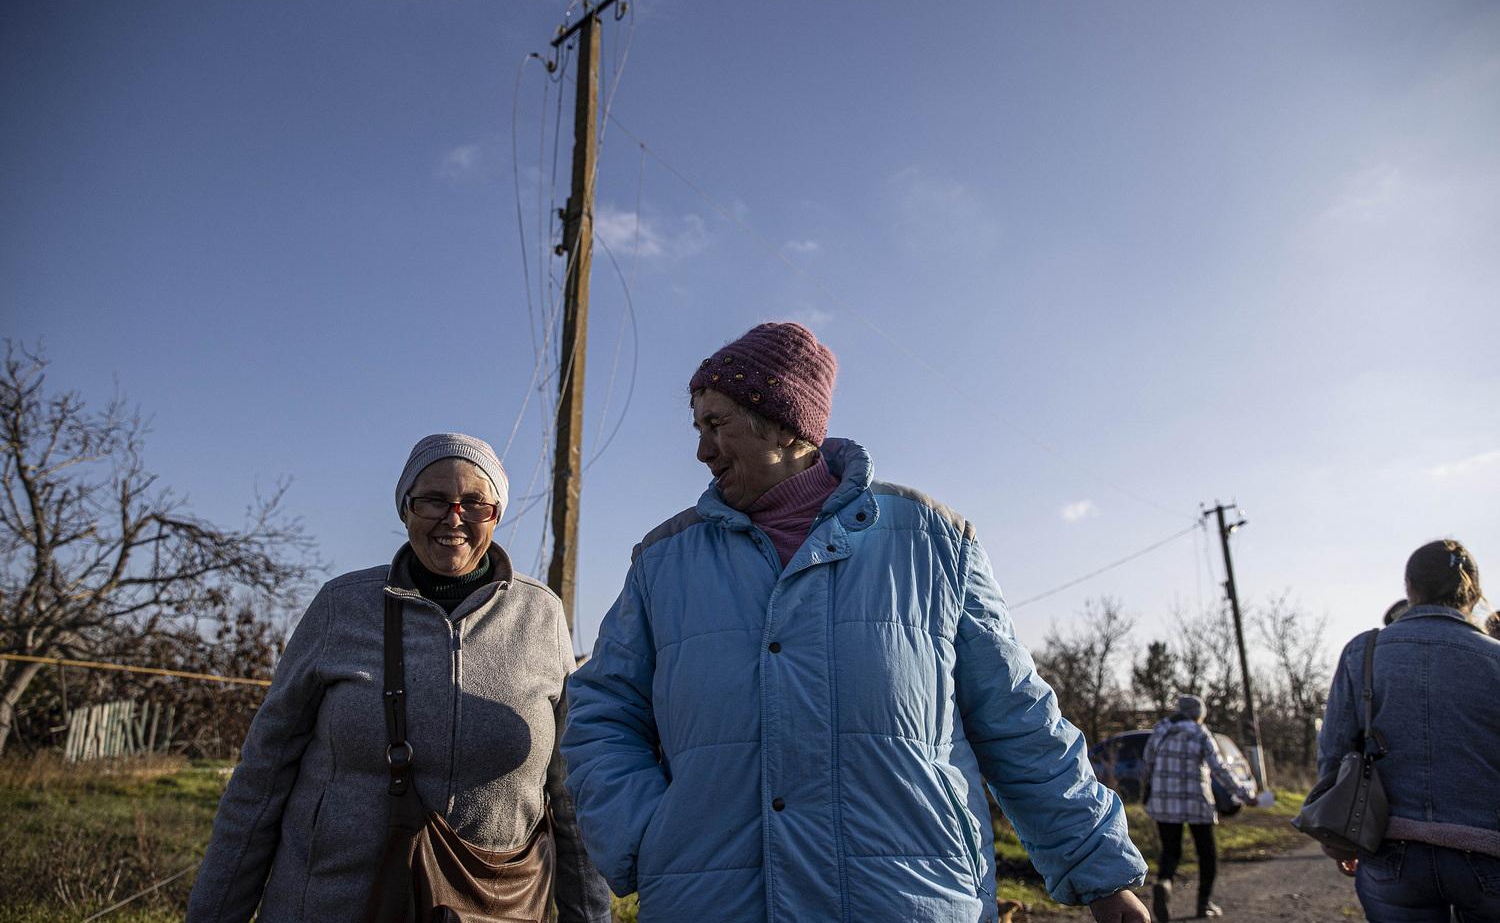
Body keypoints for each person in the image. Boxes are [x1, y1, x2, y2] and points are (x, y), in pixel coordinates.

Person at [561, 322, 1150, 923]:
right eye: (699, 428)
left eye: (717, 424)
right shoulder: (664, 563)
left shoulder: (934, 543)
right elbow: (599, 716)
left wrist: (1099, 872)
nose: (701, 450)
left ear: (785, 424)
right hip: (714, 902)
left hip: (911, 899)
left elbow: (1018, 720)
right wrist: (649, 837)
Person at [187, 434, 611, 923]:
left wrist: (591, 916)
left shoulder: (541, 615)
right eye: (433, 499)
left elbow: (571, 791)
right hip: (330, 905)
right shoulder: (340, 606)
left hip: (494, 908)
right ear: (405, 508)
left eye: (474, 502)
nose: (453, 517)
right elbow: (262, 775)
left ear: (496, 513)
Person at [1314, 539, 1500, 922]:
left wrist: (1339, 837)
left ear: (1409, 587)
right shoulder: (1494, 658)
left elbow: (1333, 753)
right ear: (1474, 593)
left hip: (1391, 852)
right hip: (1489, 852)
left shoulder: (1363, 652)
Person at [1142, 694, 1256, 920]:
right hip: (1197, 801)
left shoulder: (1161, 730)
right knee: (1207, 853)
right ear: (1198, 715)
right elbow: (1219, 769)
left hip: (1164, 801)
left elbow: (1148, 760)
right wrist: (1244, 794)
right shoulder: (1201, 733)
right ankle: (1203, 904)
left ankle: (1164, 883)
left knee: (1170, 851)